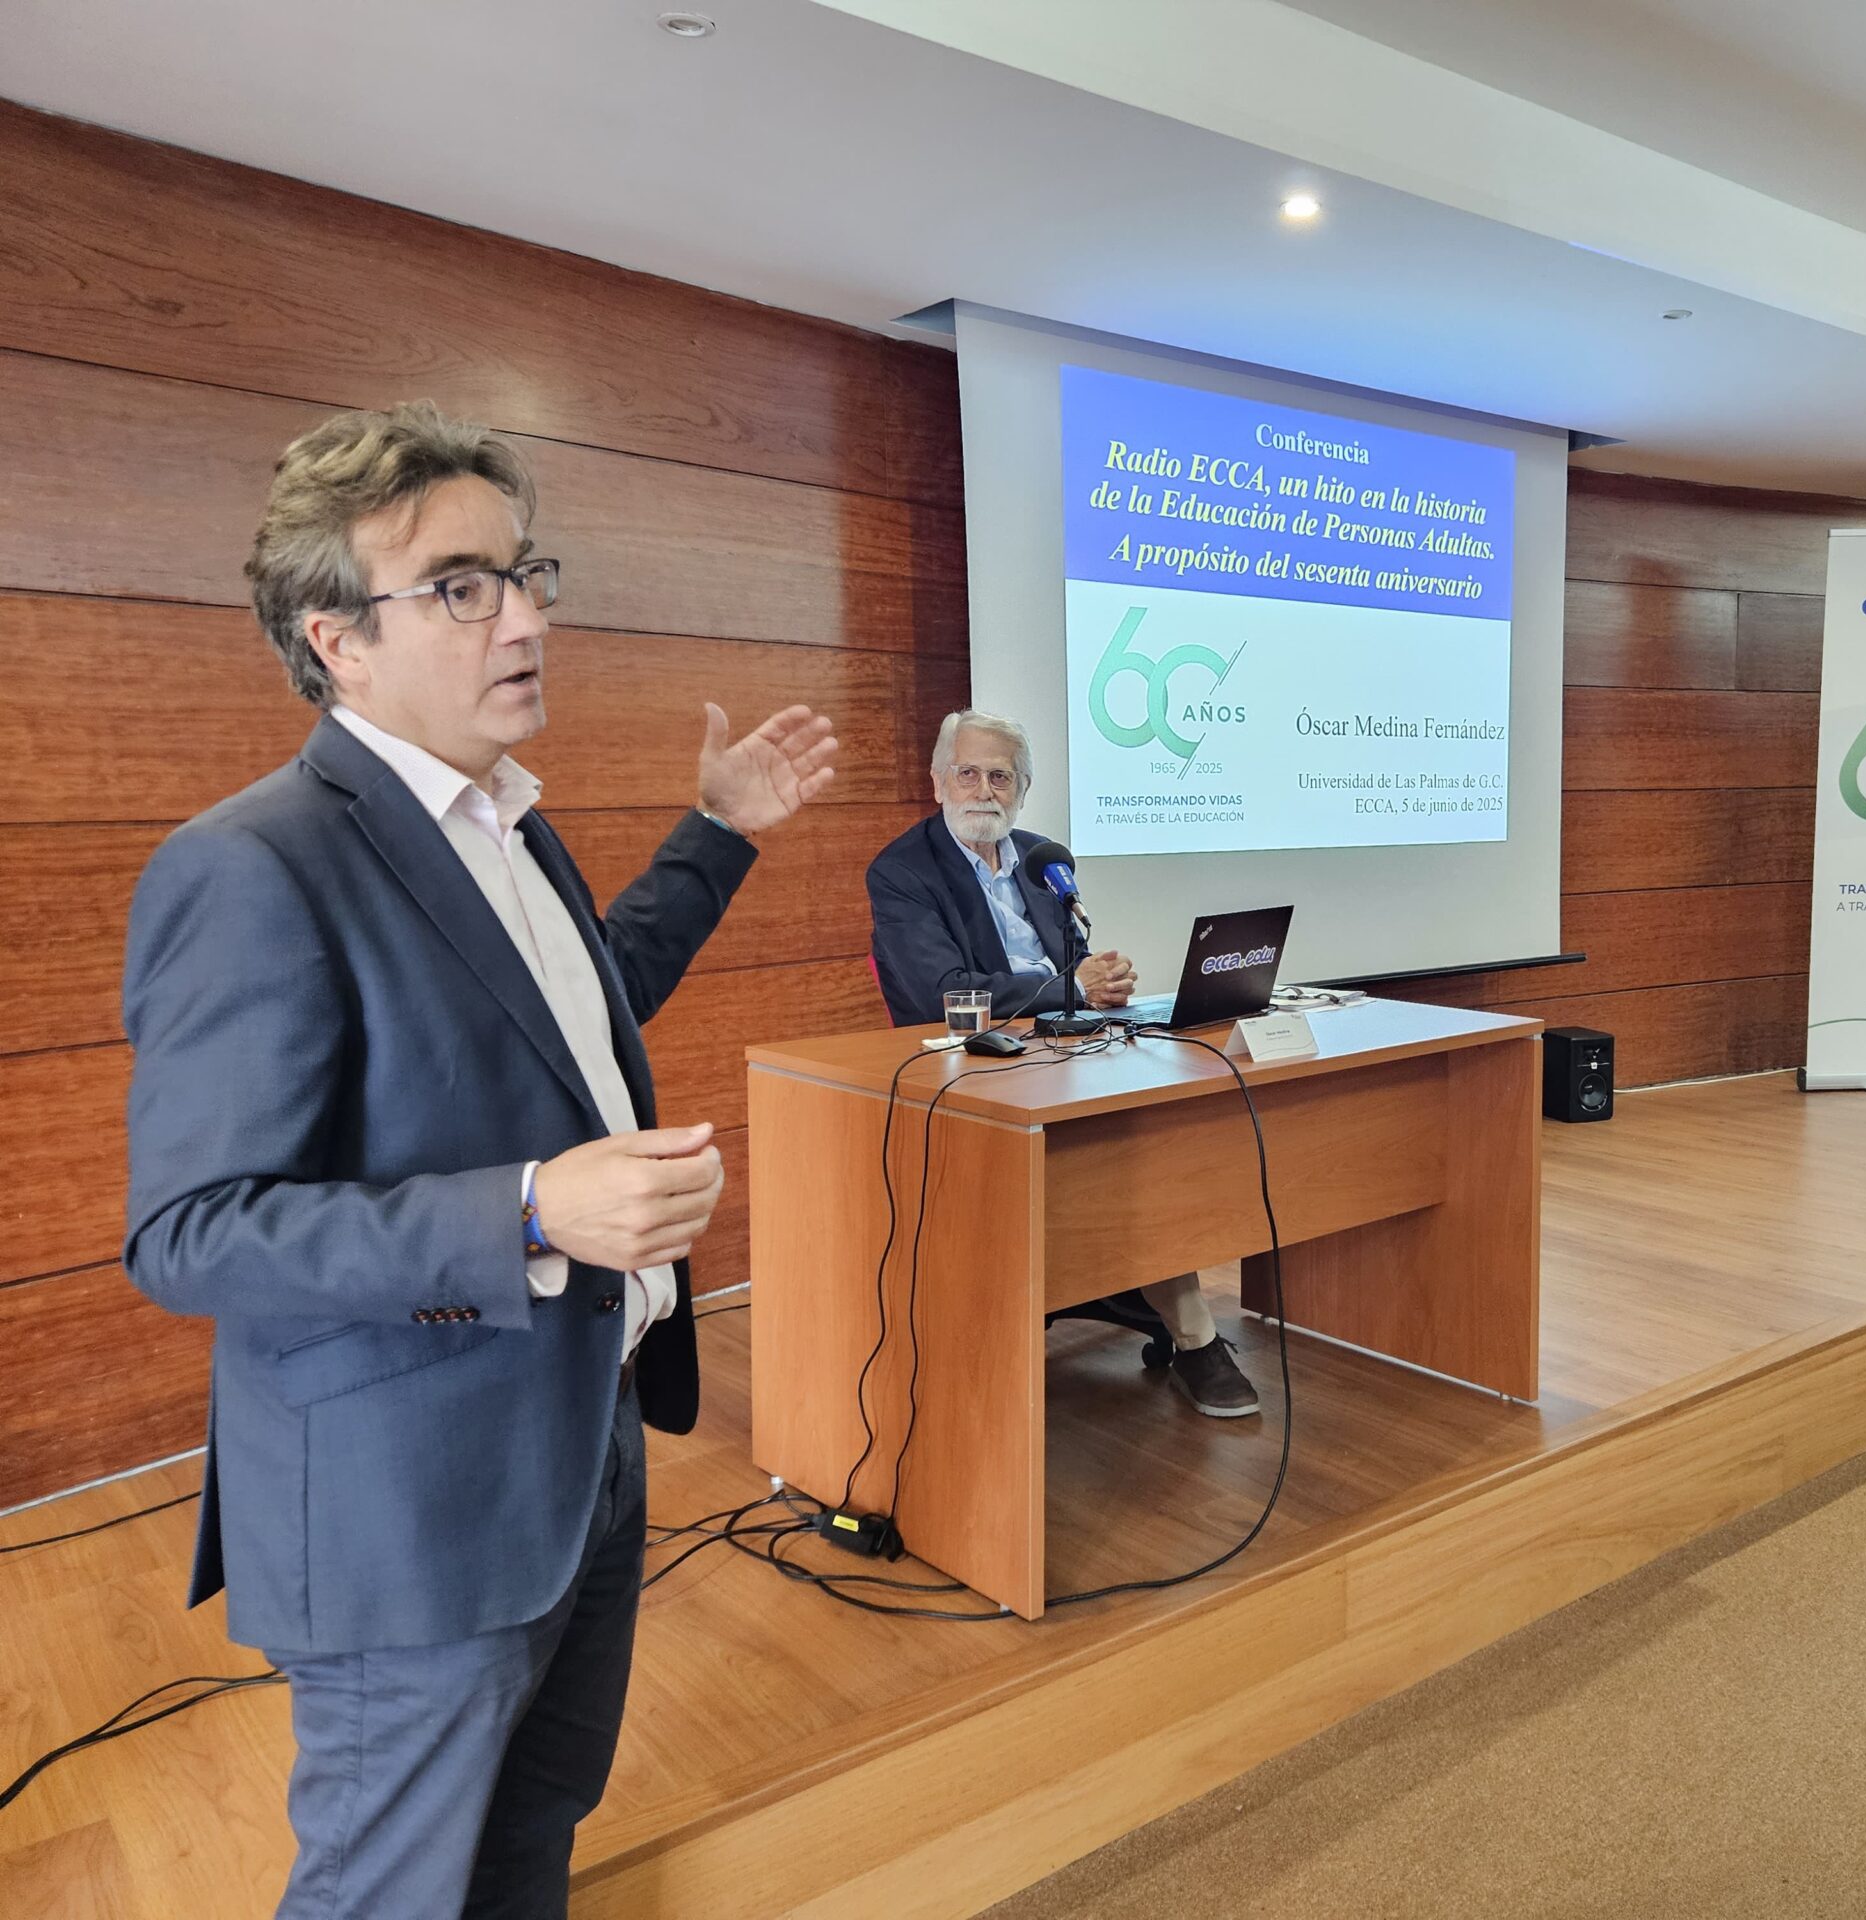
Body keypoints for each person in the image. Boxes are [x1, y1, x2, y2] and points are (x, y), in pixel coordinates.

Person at [121, 400, 838, 1920]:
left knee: (529, 1838)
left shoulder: (505, 823)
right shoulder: (249, 865)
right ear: (338, 640)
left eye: (521, 574)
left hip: (580, 1442)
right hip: (412, 1503)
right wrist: (528, 1210)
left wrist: (718, 832)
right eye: (458, 587)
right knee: (394, 1889)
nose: (521, 619)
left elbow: (575, 1015)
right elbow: (191, 1232)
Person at [865, 709, 1260, 1416]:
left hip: (1067, 1046)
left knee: (1164, 1116)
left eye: (1001, 777)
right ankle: (1195, 1336)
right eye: (968, 773)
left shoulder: (1044, 858)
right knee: (1126, 1146)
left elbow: (1073, 960)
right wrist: (1070, 987)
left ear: (1023, 790)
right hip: (971, 1071)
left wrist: (1100, 981)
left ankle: (1146, 1273)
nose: (984, 790)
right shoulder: (902, 871)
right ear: (937, 782)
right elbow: (941, 992)